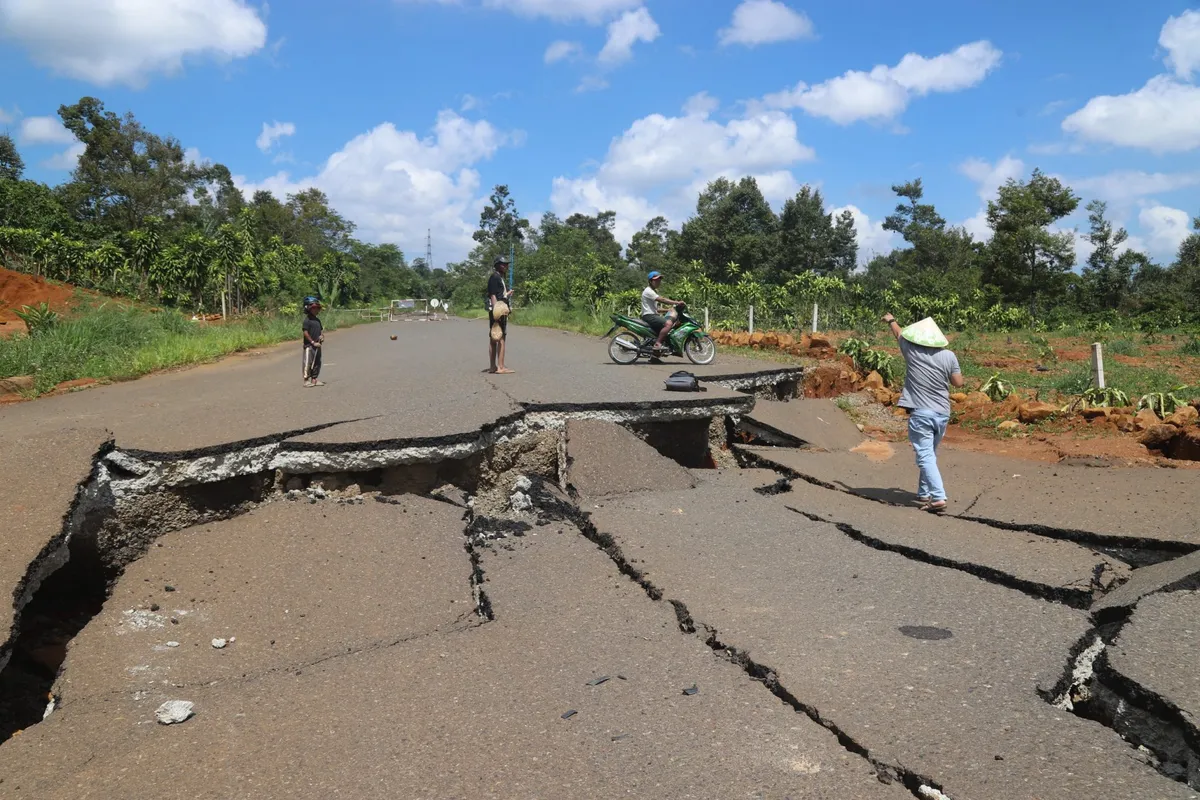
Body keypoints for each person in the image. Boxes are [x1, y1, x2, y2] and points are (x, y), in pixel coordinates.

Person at [882, 314, 965, 513]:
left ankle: (938, 497)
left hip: (921, 413)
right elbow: (958, 383)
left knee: (925, 455)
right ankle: (923, 492)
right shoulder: (949, 356)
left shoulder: (911, 351)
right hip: (942, 413)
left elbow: (899, 334)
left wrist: (892, 320)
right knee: (930, 453)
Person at [640, 271, 685, 354]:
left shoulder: (653, 291)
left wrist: (668, 310)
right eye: (656, 280)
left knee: (663, 334)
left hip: (652, 315)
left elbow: (656, 309)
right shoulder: (648, 291)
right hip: (649, 316)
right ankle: (658, 344)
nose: (658, 282)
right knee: (668, 324)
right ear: (650, 281)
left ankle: (654, 357)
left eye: (659, 280)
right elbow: (662, 300)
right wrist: (676, 302)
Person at [487, 255, 514, 374]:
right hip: (498, 312)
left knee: (494, 338)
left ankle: (494, 366)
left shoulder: (499, 278)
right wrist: (496, 312)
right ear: (498, 265)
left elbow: (499, 295)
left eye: (507, 264)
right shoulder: (494, 277)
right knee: (500, 338)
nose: (506, 266)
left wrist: (507, 294)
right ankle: (500, 367)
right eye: (504, 264)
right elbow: (493, 295)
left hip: (500, 310)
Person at [302, 296, 325, 387]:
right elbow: (305, 332)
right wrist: (312, 342)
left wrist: (322, 336)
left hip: (318, 345)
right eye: (314, 308)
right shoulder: (307, 321)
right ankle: (306, 380)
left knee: (317, 362)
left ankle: (314, 379)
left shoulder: (317, 320)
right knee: (308, 362)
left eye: (317, 308)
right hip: (309, 345)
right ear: (308, 309)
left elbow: (321, 331)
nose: (316, 310)